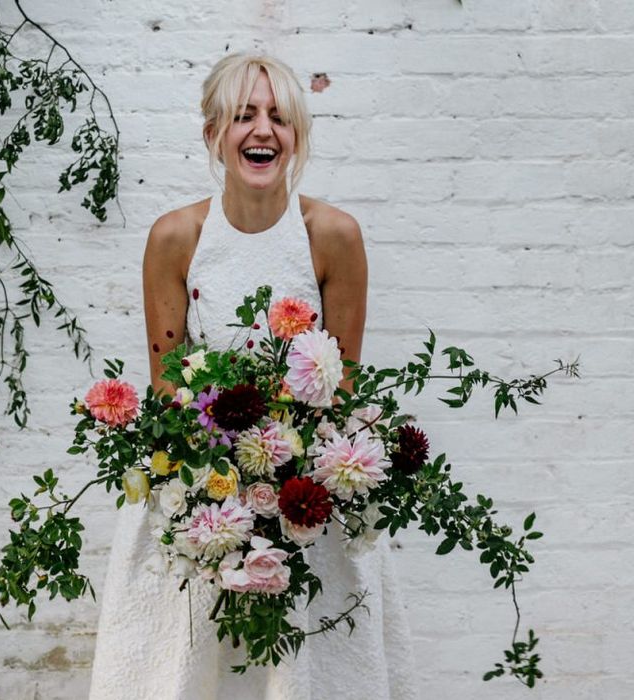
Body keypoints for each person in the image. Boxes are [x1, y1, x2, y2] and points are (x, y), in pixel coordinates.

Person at [88, 54, 417, 700]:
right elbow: (169, 391)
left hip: (303, 505)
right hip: (203, 498)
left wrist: (280, 481)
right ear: (214, 131)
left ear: (296, 136)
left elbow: (340, 389)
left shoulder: (333, 238)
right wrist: (226, 494)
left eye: (278, 117)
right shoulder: (176, 239)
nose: (262, 130)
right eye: (243, 115)